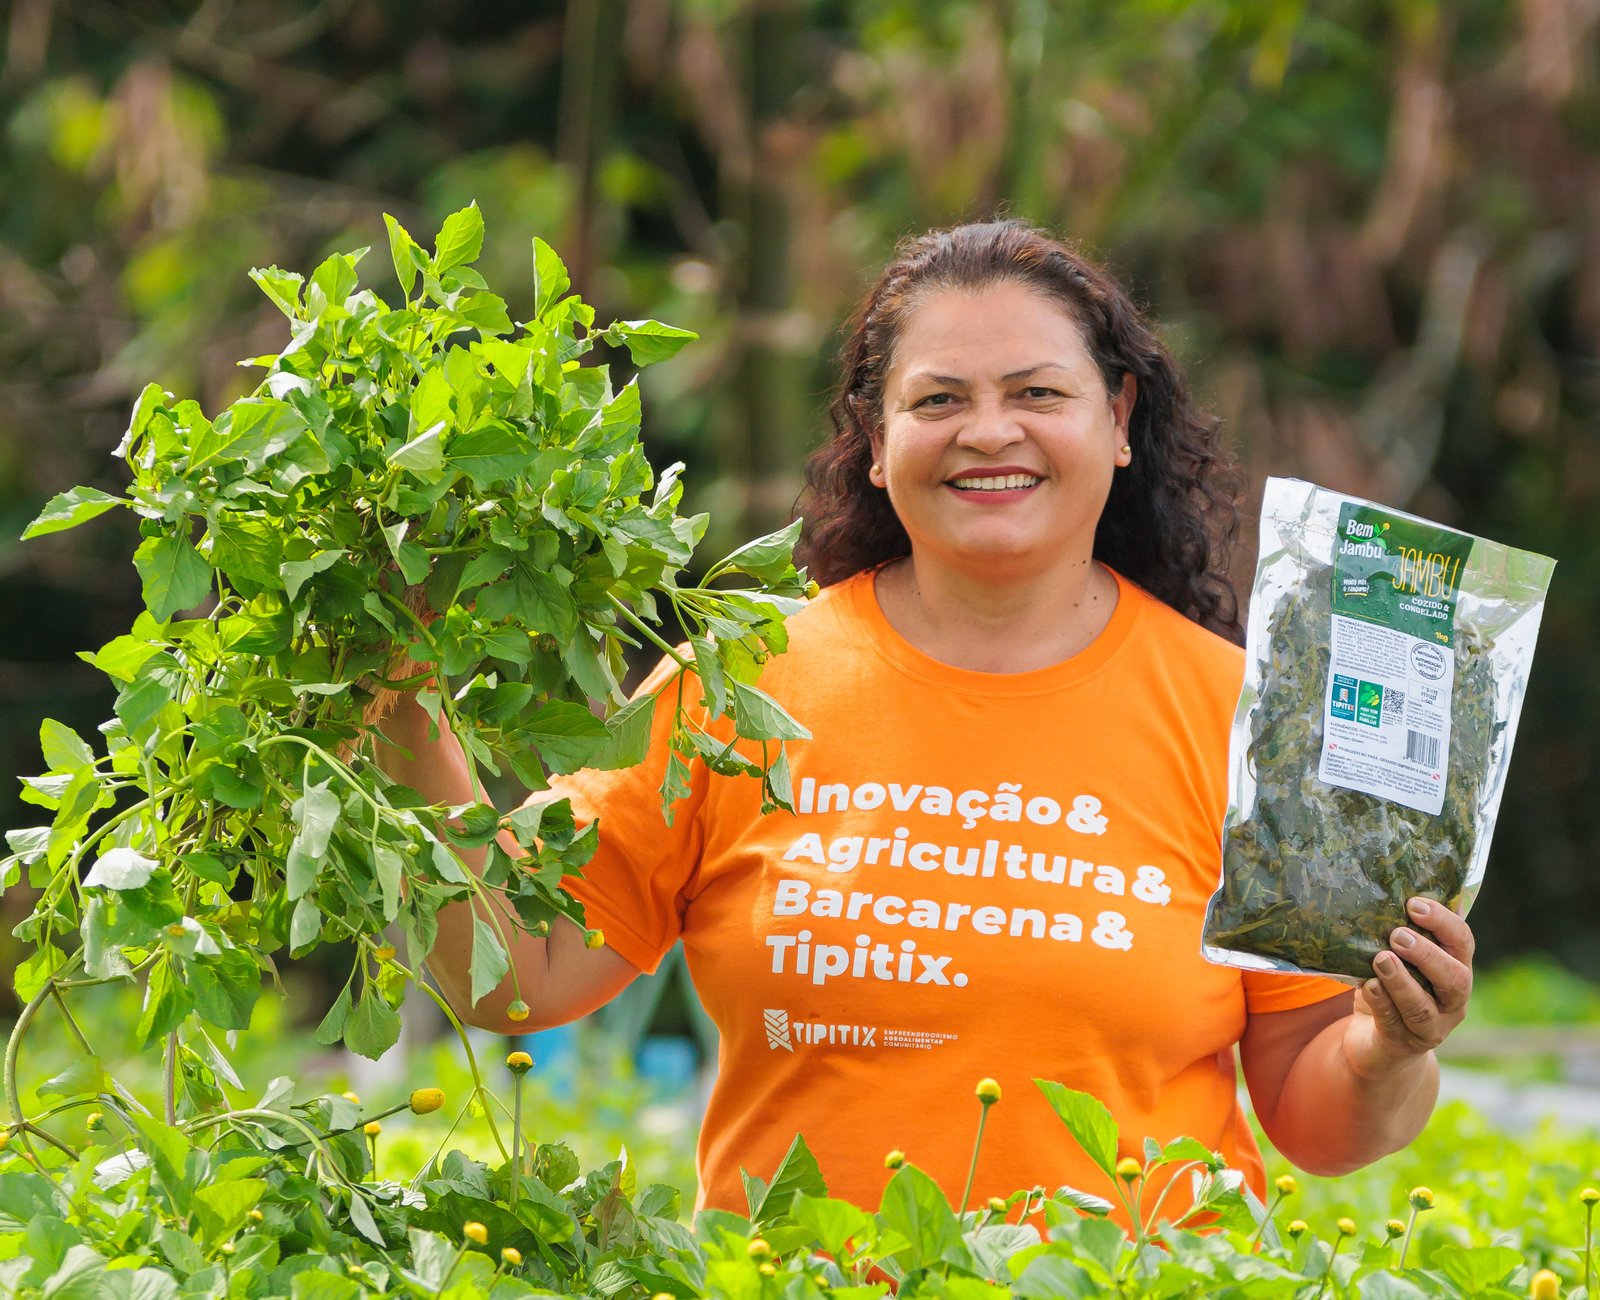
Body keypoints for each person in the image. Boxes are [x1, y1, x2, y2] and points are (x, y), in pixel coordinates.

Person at [379, 220, 1476, 1219]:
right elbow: (515, 968)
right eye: (939, 399)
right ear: (875, 436)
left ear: (1120, 419)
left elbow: (1315, 1117)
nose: (987, 433)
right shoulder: (735, 687)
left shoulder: (1249, 722)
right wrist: (394, 681)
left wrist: (1385, 1047)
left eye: (1037, 394)